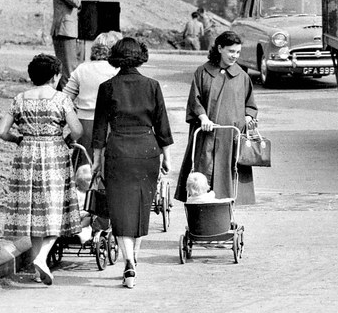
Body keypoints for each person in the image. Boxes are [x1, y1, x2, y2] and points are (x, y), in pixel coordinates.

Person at [91, 37, 173, 289]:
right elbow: (162, 124)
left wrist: (96, 161)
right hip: (147, 150)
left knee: (121, 209)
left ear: (115, 56)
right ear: (140, 56)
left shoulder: (107, 87)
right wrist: (167, 156)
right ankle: (134, 256)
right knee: (141, 206)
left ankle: (128, 261)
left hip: (118, 151)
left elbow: (99, 128)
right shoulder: (152, 85)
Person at [0, 54, 84, 286]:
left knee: (35, 212)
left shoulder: (20, 99)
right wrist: (66, 139)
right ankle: (42, 258)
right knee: (55, 208)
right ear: (55, 76)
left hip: (26, 155)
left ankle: (38, 269)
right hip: (54, 153)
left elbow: (1, 131)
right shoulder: (61, 99)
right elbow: (77, 130)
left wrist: (18, 139)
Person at [174, 30, 258, 207]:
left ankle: (226, 213)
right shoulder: (203, 72)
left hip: (230, 136)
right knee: (203, 173)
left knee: (229, 177)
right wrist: (203, 118)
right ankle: (202, 212)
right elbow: (195, 100)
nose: (235, 56)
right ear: (220, 48)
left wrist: (247, 117)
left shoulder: (242, 76)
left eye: (238, 52)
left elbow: (250, 105)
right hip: (207, 134)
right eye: (231, 51)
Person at [61, 30, 123, 161]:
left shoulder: (82, 69)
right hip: (109, 123)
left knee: (83, 163)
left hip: (84, 123)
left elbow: (64, 99)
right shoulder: (117, 71)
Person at [51, 0, 84, 89]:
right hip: (64, 30)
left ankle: (61, 96)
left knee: (67, 69)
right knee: (69, 70)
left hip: (69, 30)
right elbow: (76, 2)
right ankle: (66, 97)